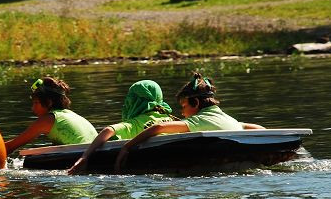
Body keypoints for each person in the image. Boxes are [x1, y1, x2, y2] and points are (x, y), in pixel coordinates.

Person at [114, 72, 265, 172]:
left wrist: (127, 147)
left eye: (184, 106)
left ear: (195, 103)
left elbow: (158, 127)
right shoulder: (228, 119)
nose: (182, 112)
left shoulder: (198, 121)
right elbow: (254, 127)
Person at [68, 80, 175, 174]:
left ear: (133, 100)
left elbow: (108, 130)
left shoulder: (135, 123)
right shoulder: (172, 120)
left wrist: (84, 156)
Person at [4, 77, 98, 155]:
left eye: (36, 103)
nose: (32, 108)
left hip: (81, 157)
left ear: (49, 102)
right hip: (97, 154)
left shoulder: (48, 120)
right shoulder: (73, 115)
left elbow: (10, 147)